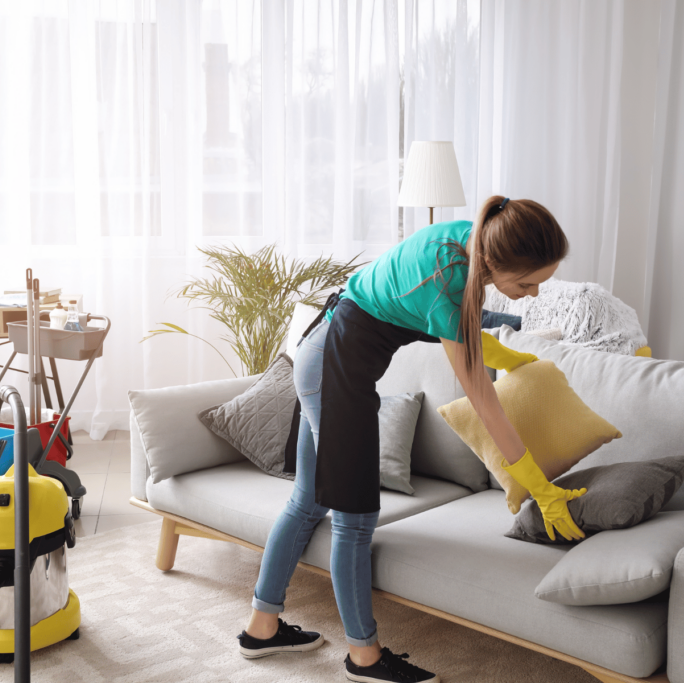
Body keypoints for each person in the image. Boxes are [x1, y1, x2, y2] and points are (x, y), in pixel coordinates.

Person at [235, 196, 586, 683]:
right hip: (333, 368)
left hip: (326, 352)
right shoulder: (448, 279)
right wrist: (540, 488)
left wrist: (513, 359)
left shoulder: (476, 236)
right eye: (526, 283)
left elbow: (467, 332)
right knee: (355, 518)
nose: (530, 295)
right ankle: (364, 657)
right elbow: (485, 404)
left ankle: (262, 628)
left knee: (308, 501)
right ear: (490, 260)